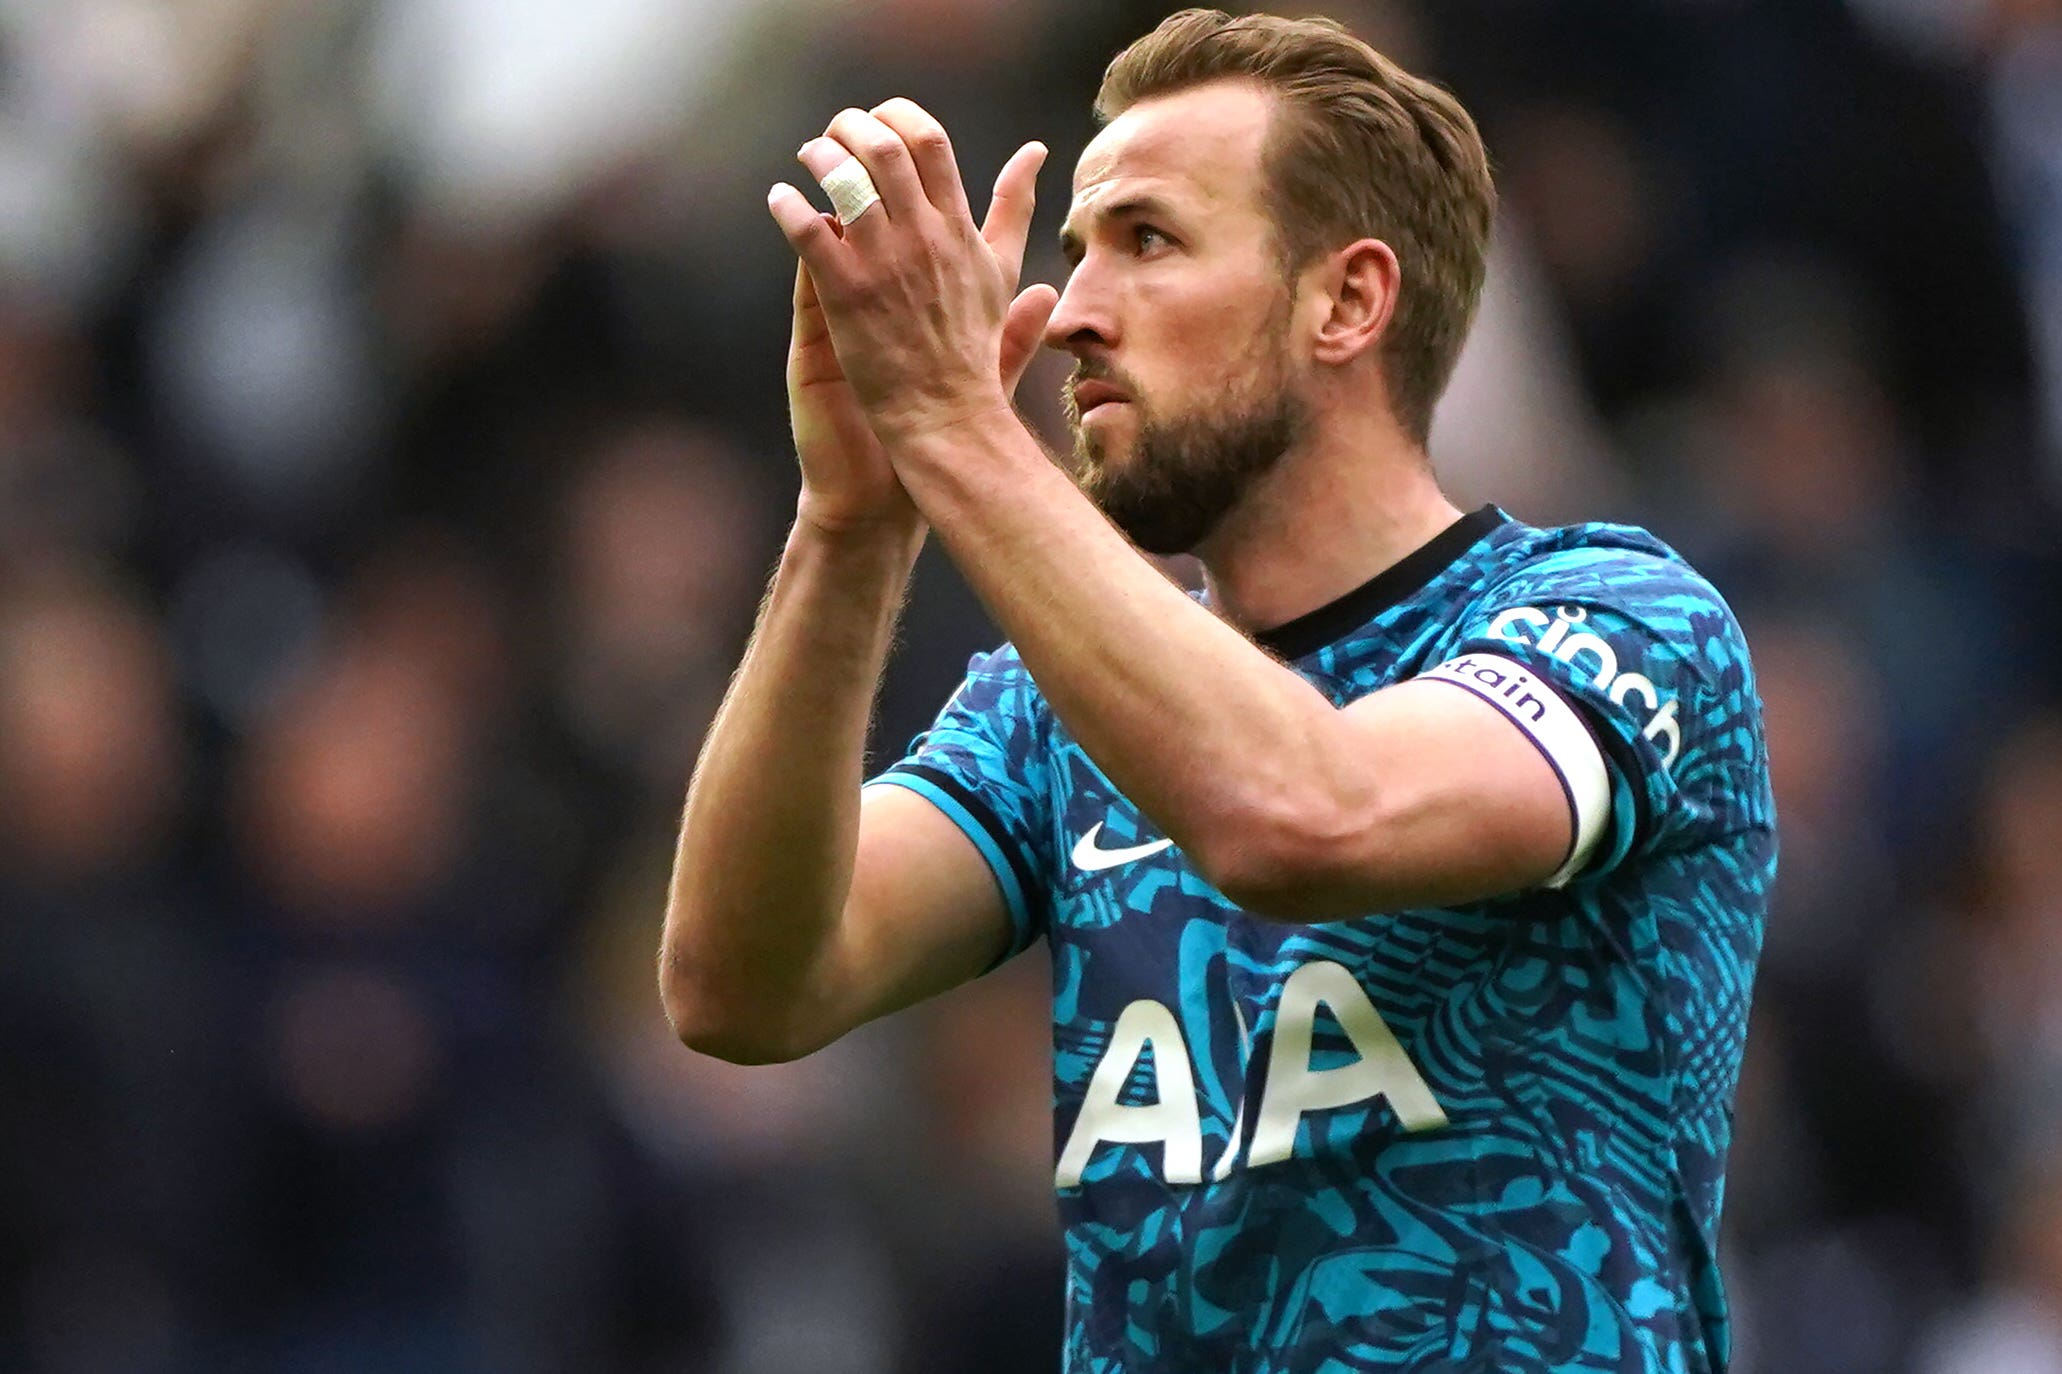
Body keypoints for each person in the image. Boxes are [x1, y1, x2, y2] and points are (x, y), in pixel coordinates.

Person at [659, 9, 1776, 1371]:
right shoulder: (1045, 713)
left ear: (1346, 301)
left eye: (1145, 240)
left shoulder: (1618, 618)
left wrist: (957, 427)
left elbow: (1304, 817)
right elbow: (741, 984)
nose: (1067, 314)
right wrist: (852, 524)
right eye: (1071, 253)